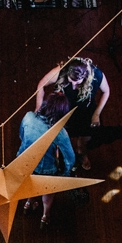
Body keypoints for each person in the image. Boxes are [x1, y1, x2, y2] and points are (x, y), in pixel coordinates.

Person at [35, 57, 118, 171]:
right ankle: (58, 157)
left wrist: (96, 114)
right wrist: (38, 107)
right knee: (59, 138)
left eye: (77, 82)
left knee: (84, 139)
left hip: (85, 113)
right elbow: (41, 84)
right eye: (71, 81)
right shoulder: (61, 70)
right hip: (62, 111)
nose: (73, 86)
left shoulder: (97, 75)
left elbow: (106, 91)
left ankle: (81, 154)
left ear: (85, 76)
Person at [18, 88, 76, 229]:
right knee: (47, 193)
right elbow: (70, 158)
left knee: (30, 185)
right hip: (47, 169)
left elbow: (21, 135)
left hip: (25, 163)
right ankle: (45, 217)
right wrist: (66, 173)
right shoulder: (60, 133)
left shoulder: (29, 117)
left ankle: (28, 203)